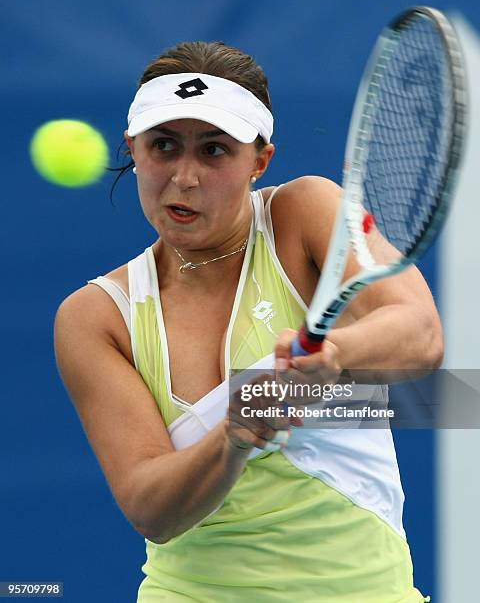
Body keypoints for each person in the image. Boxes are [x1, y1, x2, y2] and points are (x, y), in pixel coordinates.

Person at [54, 41, 439, 602]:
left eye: (214, 151)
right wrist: (234, 435)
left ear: (259, 161)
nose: (184, 177)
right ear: (133, 148)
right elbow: (150, 507)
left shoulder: (305, 212)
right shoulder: (94, 317)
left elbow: (420, 332)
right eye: (164, 146)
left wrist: (332, 355)